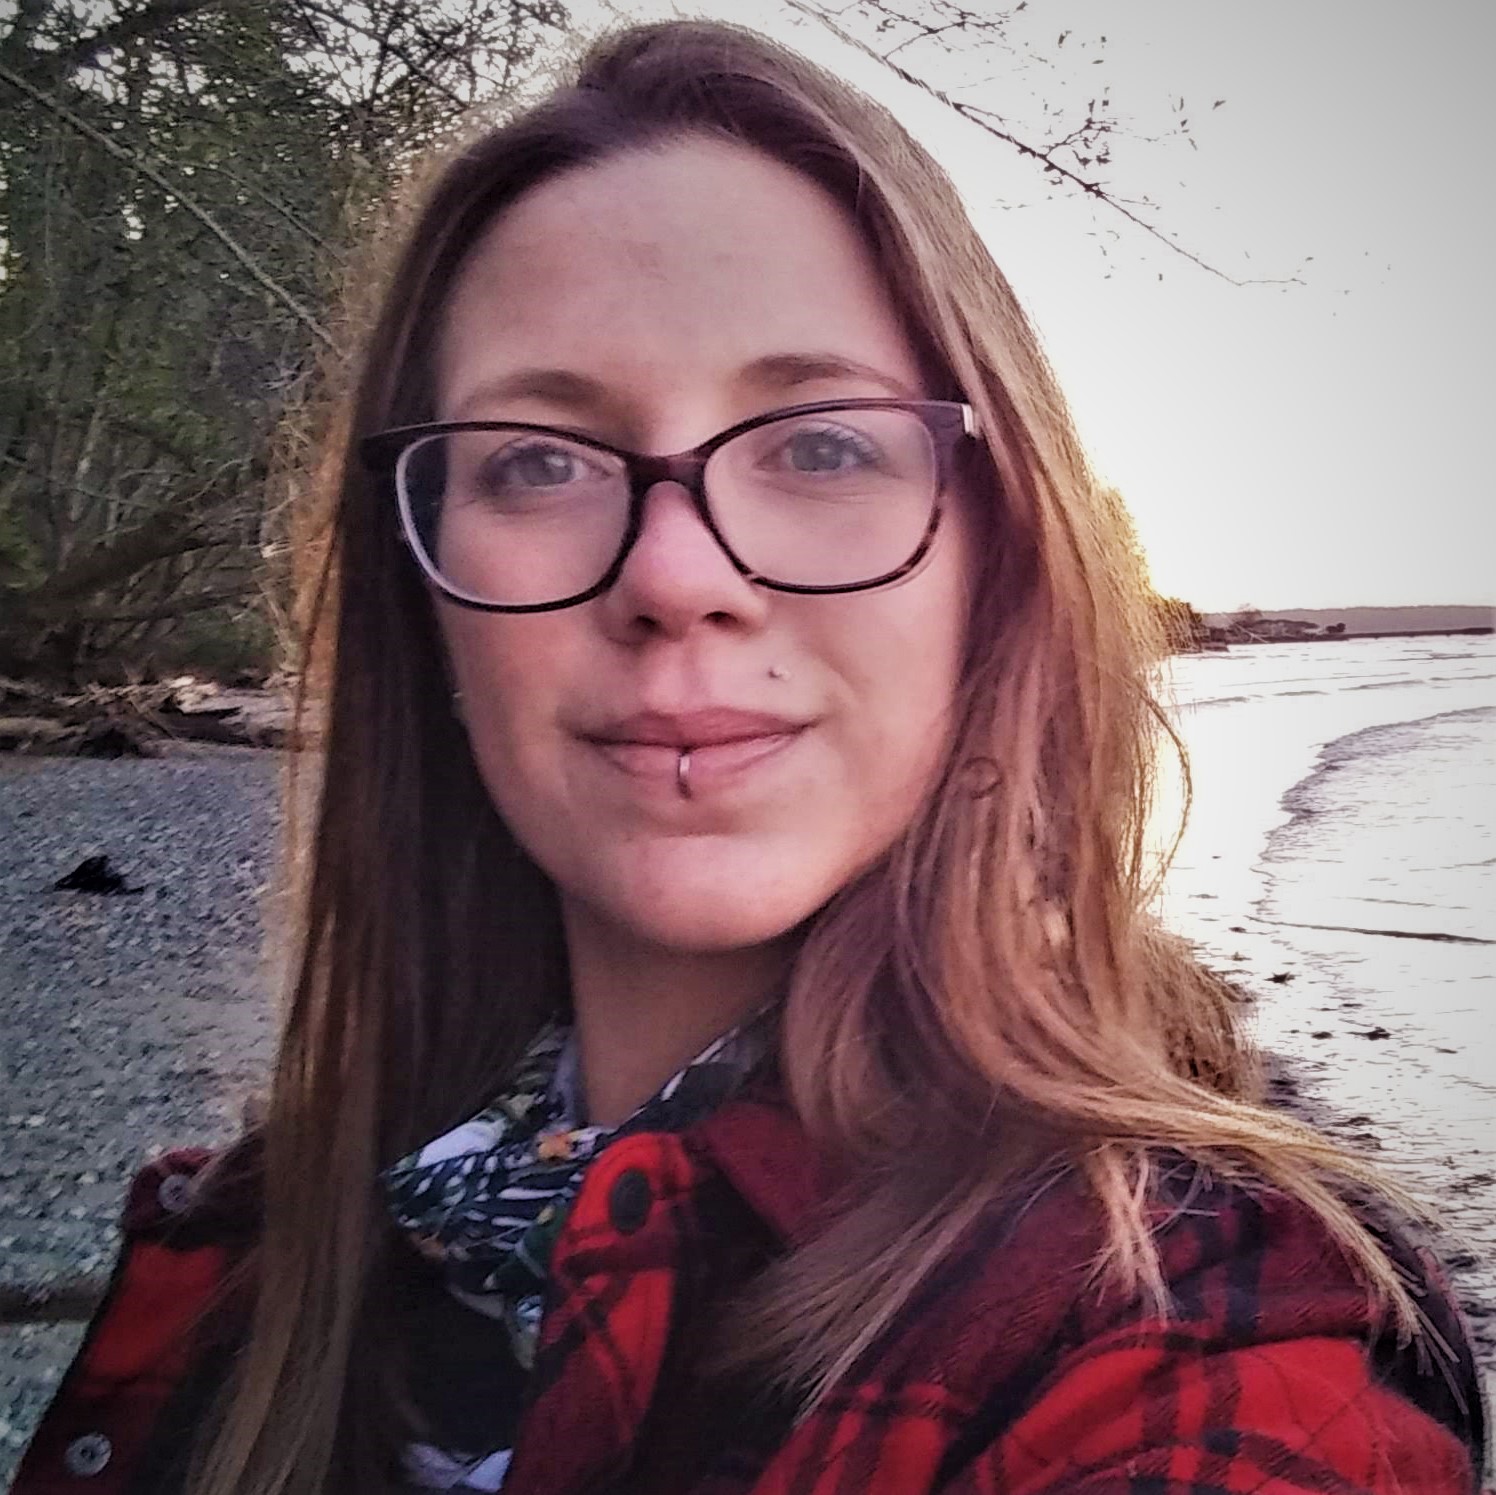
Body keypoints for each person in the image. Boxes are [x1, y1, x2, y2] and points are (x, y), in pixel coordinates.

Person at [13, 19, 1484, 1495]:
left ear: (996, 570)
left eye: (822, 446)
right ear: (425, 595)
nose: (673, 575)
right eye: (539, 459)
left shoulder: (1184, 1336)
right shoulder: (265, 1242)